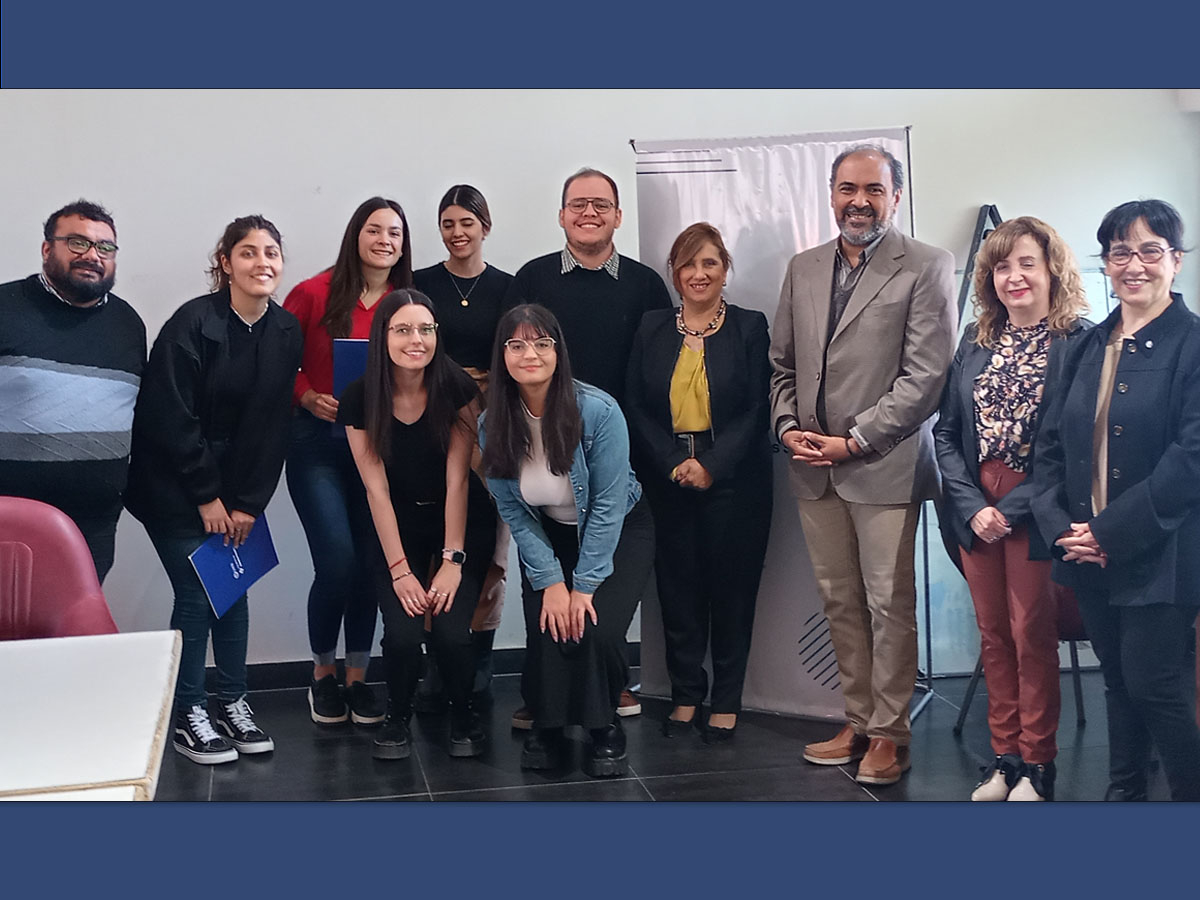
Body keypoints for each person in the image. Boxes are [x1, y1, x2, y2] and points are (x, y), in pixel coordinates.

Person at [768, 143, 957, 785]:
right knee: (839, 600)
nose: (859, 201)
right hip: (811, 464)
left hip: (884, 464)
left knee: (888, 602)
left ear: (895, 196)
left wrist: (853, 440)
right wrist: (789, 426)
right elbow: (782, 365)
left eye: (873, 190)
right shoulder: (804, 266)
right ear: (830, 193)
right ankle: (856, 717)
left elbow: (926, 377)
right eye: (848, 188)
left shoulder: (927, 265)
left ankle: (889, 732)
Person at [1031, 199, 1200, 801]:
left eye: (1150, 251)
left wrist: (1109, 532)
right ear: (1105, 262)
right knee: (1118, 686)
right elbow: (1048, 447)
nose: (1134, 264)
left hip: (1161, 551)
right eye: (1120, 252)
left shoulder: (1193, 344)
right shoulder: (1087, 344)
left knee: (1157, 685)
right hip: (1085, 550)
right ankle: (1123, 798)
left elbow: (1191, 459)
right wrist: (1066, 530)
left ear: (1175, 261)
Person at [125, 215, 302, 765]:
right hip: (173, 482)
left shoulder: (285, 330)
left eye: (271, 252)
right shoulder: (191, 323)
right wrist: (206, 495)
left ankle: (233, 701)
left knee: (234, 588)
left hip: (237, 487)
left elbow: (272, 426)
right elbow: (168, 417)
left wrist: (249, 503)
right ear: (225, 263)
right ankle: (189, 712)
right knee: (199, 593)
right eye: (247, 253)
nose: (262, 263)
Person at [503, 166, 672, 725]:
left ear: (619, 217)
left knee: (601, 594)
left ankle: (608, 686)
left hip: (619, 454)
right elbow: (511, 357)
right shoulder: (531, 277)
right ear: (561, 215)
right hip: (543, 456)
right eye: (578, 204)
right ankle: (546, 696)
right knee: (548, 598)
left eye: (602, 204)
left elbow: (657, 373)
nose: (589, 213)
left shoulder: (647, 284)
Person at [935, 217, 1091, 800]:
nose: (1014, 276)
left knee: (1032, 633)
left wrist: (1015, 507)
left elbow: (1073, 444)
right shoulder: (975, 342)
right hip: (975, 506)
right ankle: (1004, 759)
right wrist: (974, 506)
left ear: (1052, 269)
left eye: (1027, 263)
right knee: (993, 634)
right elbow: (946, 435)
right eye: (1002, 266)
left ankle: (1038, 763)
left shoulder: (1079, 342)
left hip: (1039, 504)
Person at [479, 304, 655, 776]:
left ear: (558, 350)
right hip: (549, 534)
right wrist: (551, 581)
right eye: (516, 345)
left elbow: (608, 506)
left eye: (540, 343)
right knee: (548, 625)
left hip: (619, 529)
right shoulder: (490, 423)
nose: (529, 354)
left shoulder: (598, 411)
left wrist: (584, 584)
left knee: (592, 625)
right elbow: (513, 510)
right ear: (503, 357)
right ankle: (548, 727)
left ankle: (603, 728)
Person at [625, 222, 773, 742]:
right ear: (674, 272)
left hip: (735, 480)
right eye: (688, 263)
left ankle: (726, 698)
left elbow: (758, 407)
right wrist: (671, 460)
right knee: (678, 590)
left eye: (709, 262)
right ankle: (687, 693)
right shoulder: (651, 328)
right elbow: (636, 406)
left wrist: (712, 463)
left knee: (732, 592)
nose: (698, 273)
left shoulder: (750, 327)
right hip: (666, 478)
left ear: (725, 270)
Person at [338, 289, 496, 761]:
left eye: (426, 329)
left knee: (450, 629)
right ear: (382, 336)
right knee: (404, 632)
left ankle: (464, 710)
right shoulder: (360, 396)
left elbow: (459, 482)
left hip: (460, 521)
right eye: (403, 329)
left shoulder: (457, 389)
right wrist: (402, 570)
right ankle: (397, 715)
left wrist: (452, 560)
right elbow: (376, 491)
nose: (417, 339)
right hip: (396, 523)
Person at [282, 196, 411, 727]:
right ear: (355, 234)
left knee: (369, 567)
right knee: (337, 560)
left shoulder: (407, 304)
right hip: (317, 447)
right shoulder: (312, 293)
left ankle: (358, 678)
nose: (385, 240)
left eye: (395, 233)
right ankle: (322, 674)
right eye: (375, 229)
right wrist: (308, 394)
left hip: (380, 450)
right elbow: (276, 361)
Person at [0, 199, 146, 582]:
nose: (92, 256)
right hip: (9, 520)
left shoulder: (129, 325)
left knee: (76, 631)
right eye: (78, 243)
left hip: (94, 525)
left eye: (105, 247)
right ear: (47, 249)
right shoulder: (4, 307)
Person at [413, 184, 512, 708]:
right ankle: (439, 665)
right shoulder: (421, 284)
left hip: (493, 422)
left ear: (485, 226)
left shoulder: (508, 286)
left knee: (491, 541)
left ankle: (479, 664)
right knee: (435, 539)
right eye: (448, 223)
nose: (457, 233)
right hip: (432, 416)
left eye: (467, 223)